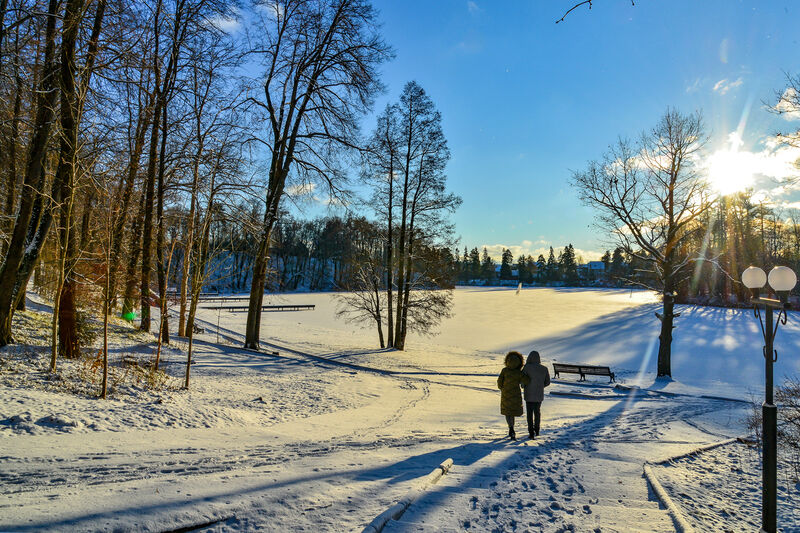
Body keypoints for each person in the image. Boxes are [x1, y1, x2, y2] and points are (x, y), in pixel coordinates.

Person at [497, 351, 530, 440]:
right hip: (515, 394)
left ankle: (511, 428)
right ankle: (512, 429)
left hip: (505, 394)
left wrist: (503, 388)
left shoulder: (504, 370)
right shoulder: (518, 372)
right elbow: (526, 380)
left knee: (508, 412)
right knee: (512, 411)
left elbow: (499, 382)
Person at [521, 350, 550, 439]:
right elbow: (547, 382)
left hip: (529, 394)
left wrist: (524, 386)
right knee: (537, 412)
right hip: (539, 394)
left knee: (529, 413)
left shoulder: (526, 368)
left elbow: (523, 382)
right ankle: (537, 430)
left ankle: (531, 432)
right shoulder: (544, 369)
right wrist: (540, 386)